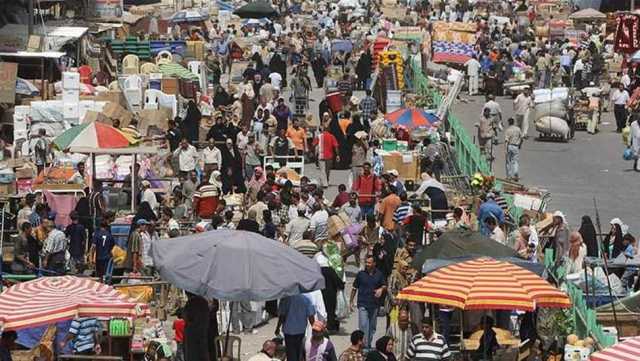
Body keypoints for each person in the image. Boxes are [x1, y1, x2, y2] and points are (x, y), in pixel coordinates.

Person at [350, 255, 386, 349]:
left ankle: (368, 344)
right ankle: (364, 346)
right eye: (366, 262)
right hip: (362, 304)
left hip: (374, 305)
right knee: (363, 325)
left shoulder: (379, 274)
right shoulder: (361, 274)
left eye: (369, 262)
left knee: (372, 327)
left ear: (374, 263)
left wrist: (380, 290)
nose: (367, 264)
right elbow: (354, 288)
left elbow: (384, 285)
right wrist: (350, 301)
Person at [276, 294, 316, 361]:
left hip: (288, 331)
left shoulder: (285, 298)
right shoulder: (307, 297)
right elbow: (311, 316)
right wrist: (314, 328)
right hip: (301, 331)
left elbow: (282, 316)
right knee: (299, 352)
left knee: (291, 353)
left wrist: (277, 328)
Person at [183, 292, 210, 361]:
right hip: (203, 333)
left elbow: (187, 317)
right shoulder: (204, 302)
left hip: (192, 336)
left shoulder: (190, 303)